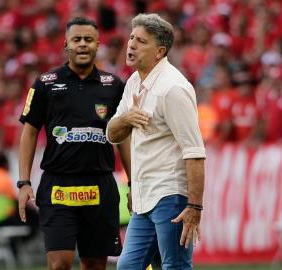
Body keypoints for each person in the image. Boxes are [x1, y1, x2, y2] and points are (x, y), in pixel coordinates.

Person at [17, 17, 130, 270]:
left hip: (99, 186)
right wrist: (24, 182)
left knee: (94, 264)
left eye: (88, 40)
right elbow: (29, 132)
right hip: (58, 185)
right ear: (65, 45)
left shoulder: (113, 86)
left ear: (97, 45)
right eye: (76, 39)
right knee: (60, 263)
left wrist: (134, 183)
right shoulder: (45, 84)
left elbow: (123, 137)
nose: (82, 44)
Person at [107, 13, 206, 270]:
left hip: (170, 195)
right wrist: (127, 118)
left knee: (174, 266)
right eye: (131, 38)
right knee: (127, 267)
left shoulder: (173, 89)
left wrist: (194, 206)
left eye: (141, 41)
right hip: (143, 198)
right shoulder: (133, 83)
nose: (131, 45)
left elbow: (194, 151)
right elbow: (112, 134)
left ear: (160, 51)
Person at [0, 151, 38, 262]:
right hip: (2, 218)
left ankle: (14, 245)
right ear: (5, 164)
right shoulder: (3, 177)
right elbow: (15, 201)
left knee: (27, 220)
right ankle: (15, 244)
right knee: (34, 223)